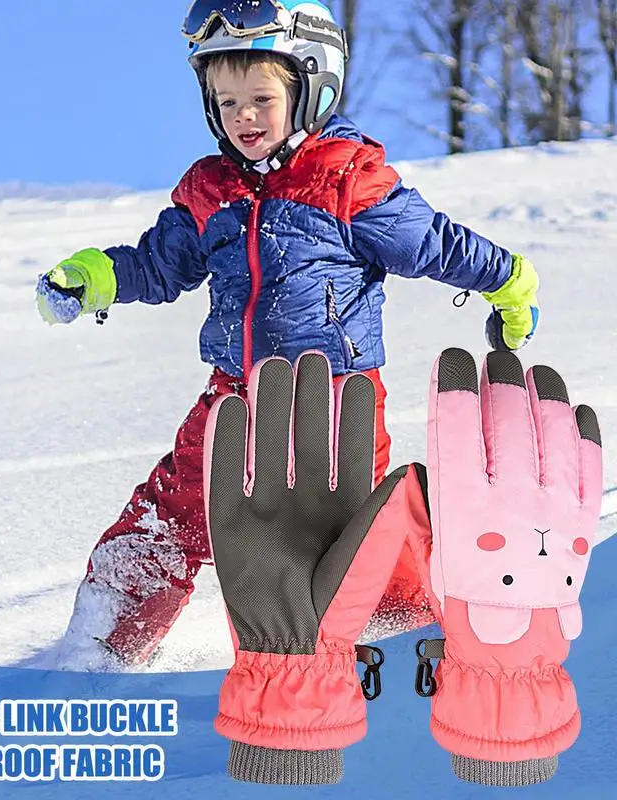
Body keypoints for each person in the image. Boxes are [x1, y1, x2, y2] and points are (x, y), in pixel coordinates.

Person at [35, 0, 540, 670]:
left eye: (261, 98)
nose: (243, 116)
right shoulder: (210, 191)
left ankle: (402, 640)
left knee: (350, 533)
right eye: (226, 100)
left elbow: (432, 244)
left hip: (332, 401)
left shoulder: (345, 178)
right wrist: (98, 276)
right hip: (235, 397)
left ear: (312, 87)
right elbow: (160, 262)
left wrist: (506, 279)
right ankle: (101, 646)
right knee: (174, 511)